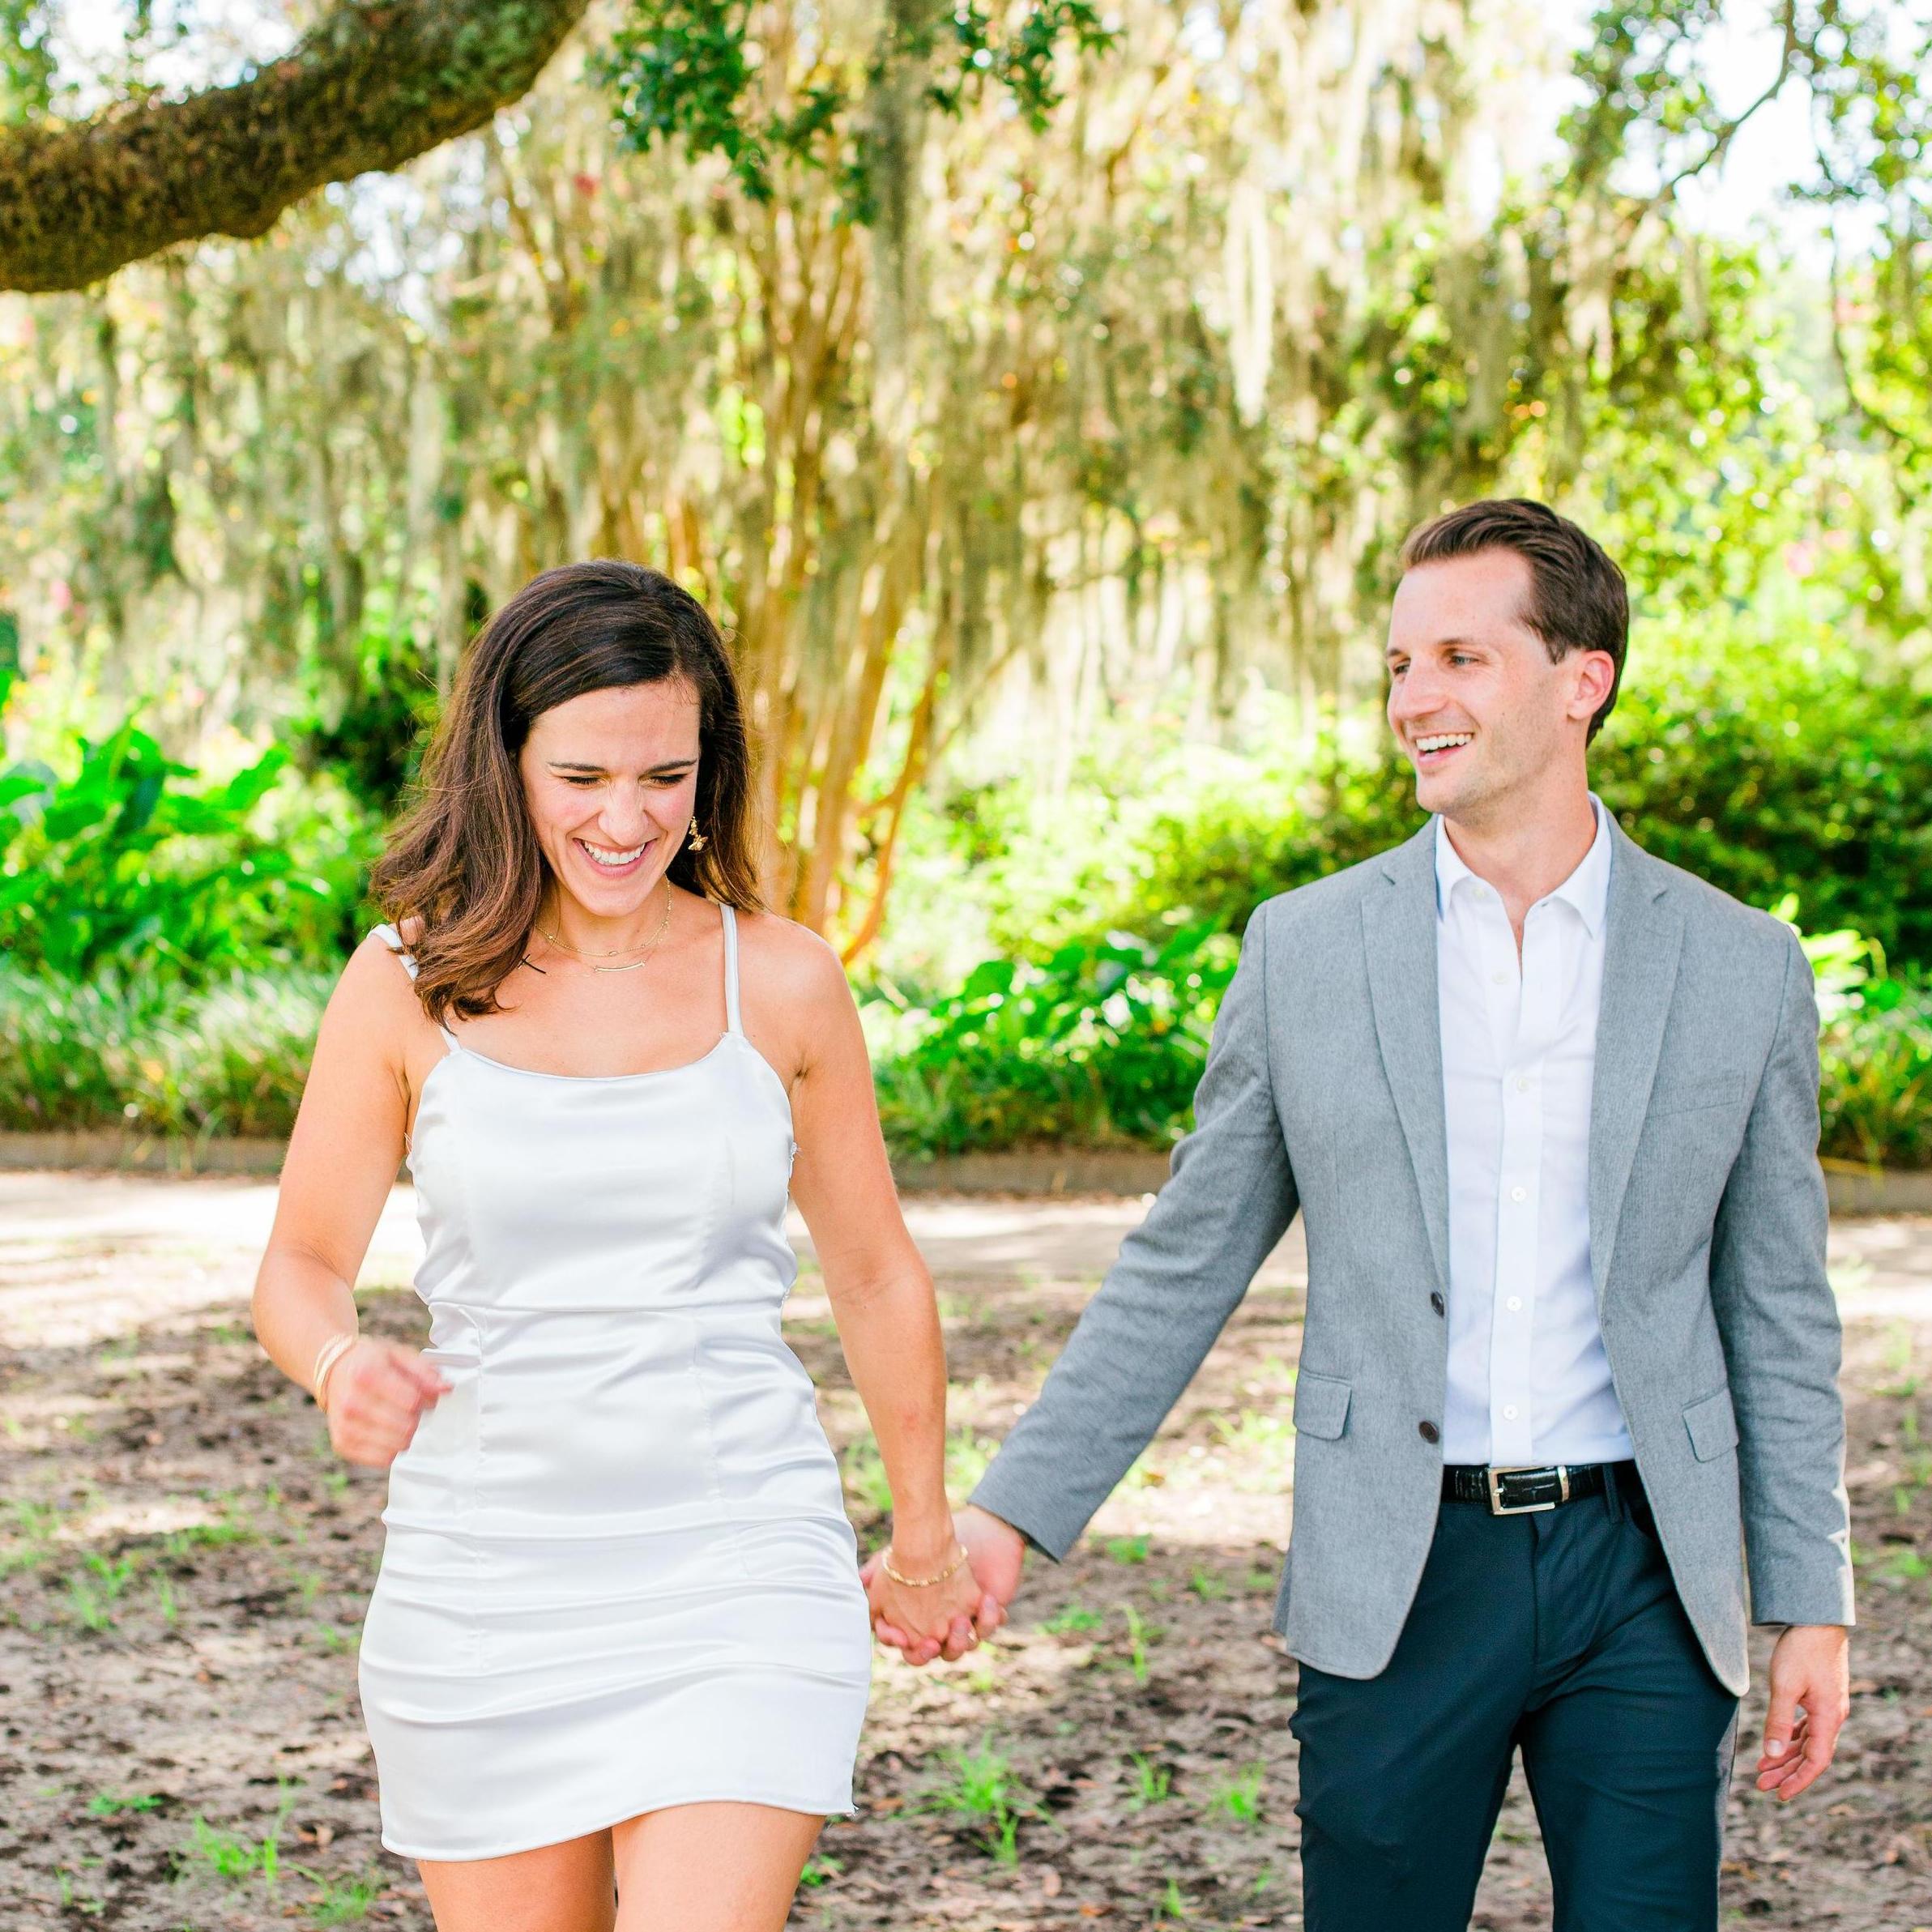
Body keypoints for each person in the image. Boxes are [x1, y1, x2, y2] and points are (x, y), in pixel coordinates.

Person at [881, 500, 1856, 1930]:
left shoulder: (1739, 964)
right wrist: (1012, 1512)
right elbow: (1183, 1258)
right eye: (1399, 664)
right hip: (1396, 1569)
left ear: (1579, 677)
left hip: (1646, 1568)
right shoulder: (1306, 950)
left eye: (1459, 656)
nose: (1413, 700)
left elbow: (1776, 1304)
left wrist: (1809, 1595)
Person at [252, 560, 993, 1932]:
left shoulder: (778, 978)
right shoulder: (405, 980)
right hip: (484, 1580)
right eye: (583, 775)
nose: (626, 817)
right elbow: (298, 1262)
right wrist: (339, 1360)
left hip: (737, 1559)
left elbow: (876, 1270)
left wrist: (924, 1530)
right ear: (507, 761)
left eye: (666, 775)